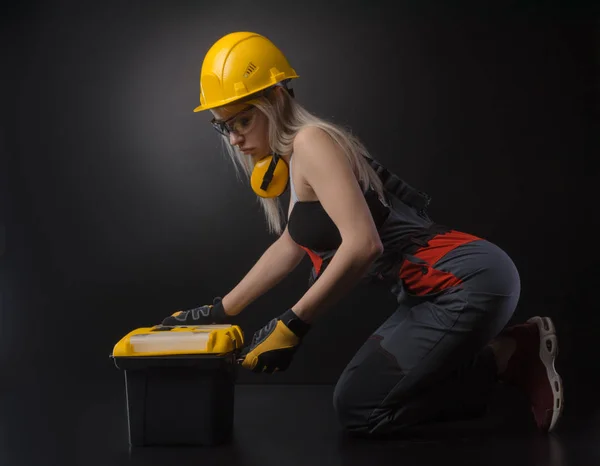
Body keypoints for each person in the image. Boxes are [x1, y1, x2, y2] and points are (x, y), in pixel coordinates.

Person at [161, 31, 563, 435]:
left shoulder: (312, 143)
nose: (234, 138)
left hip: (468, 281)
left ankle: (510, 354)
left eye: (242, 120)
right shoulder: (294, 159)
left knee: (364, 410)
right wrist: (220, 311)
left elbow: (363, 244)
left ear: (277, 99)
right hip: (426, 296)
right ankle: (511, 355)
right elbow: (291, 243)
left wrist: (294, 324)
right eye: (223, 127)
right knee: (358, 402)